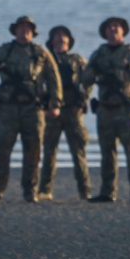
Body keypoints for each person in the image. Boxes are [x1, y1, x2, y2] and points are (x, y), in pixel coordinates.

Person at [0, 16, 62, 203]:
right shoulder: (4, 51)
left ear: (33, 32)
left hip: (33, 109)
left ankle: (30, 191)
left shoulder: (41, 53)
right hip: (7, 109)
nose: (24, 30)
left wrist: (55, 104)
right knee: (2, 151)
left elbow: (53, 78)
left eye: (28, 28)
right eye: (21, 27)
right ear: (15, 30)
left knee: (33, 152)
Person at [83, 17, 130, 203]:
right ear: (104, 32)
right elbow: (85, 79)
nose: (113, 29)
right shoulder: (99, 54)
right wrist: (93, 71)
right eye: (109, 27)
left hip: (125, 108)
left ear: (123, 31)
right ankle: (107, 192)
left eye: (116, 27)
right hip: (105, 109)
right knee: (107, 153)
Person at [38, 25, 91, 201]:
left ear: (70, 40)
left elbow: (89, 80)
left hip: (73, 111)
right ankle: (45, 190)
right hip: (52, 111)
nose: (61, 38)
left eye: (64, 35)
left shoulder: (77, 60)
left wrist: (84, 101)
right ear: (51, 41)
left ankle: (85, 191)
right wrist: (44, 104)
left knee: (79, 153)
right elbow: (37, 82)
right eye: (57, 35)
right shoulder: (45, 60)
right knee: (49, 152)